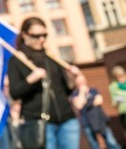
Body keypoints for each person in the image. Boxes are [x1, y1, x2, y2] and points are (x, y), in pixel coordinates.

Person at [7, 17, 81, 149]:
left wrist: (72, 78)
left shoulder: (51, 57)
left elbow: (67, 90)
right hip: (39, 121)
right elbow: (14, 93)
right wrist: (31, 80)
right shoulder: (17, 60)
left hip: (67, 118)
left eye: (44, 35)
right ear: (24, 35)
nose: (41, 39)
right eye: (36, 36)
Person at [70, 73, 121, 149]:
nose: (82, 83)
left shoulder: (93, 90)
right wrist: (82, 93)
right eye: (79, 82)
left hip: (99, 119)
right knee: (94, 144)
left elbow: (99, 101)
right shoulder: (75, 94)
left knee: (111, 141)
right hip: (86, 121)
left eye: (82, 81)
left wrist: (85, 103)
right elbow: (79, 106)